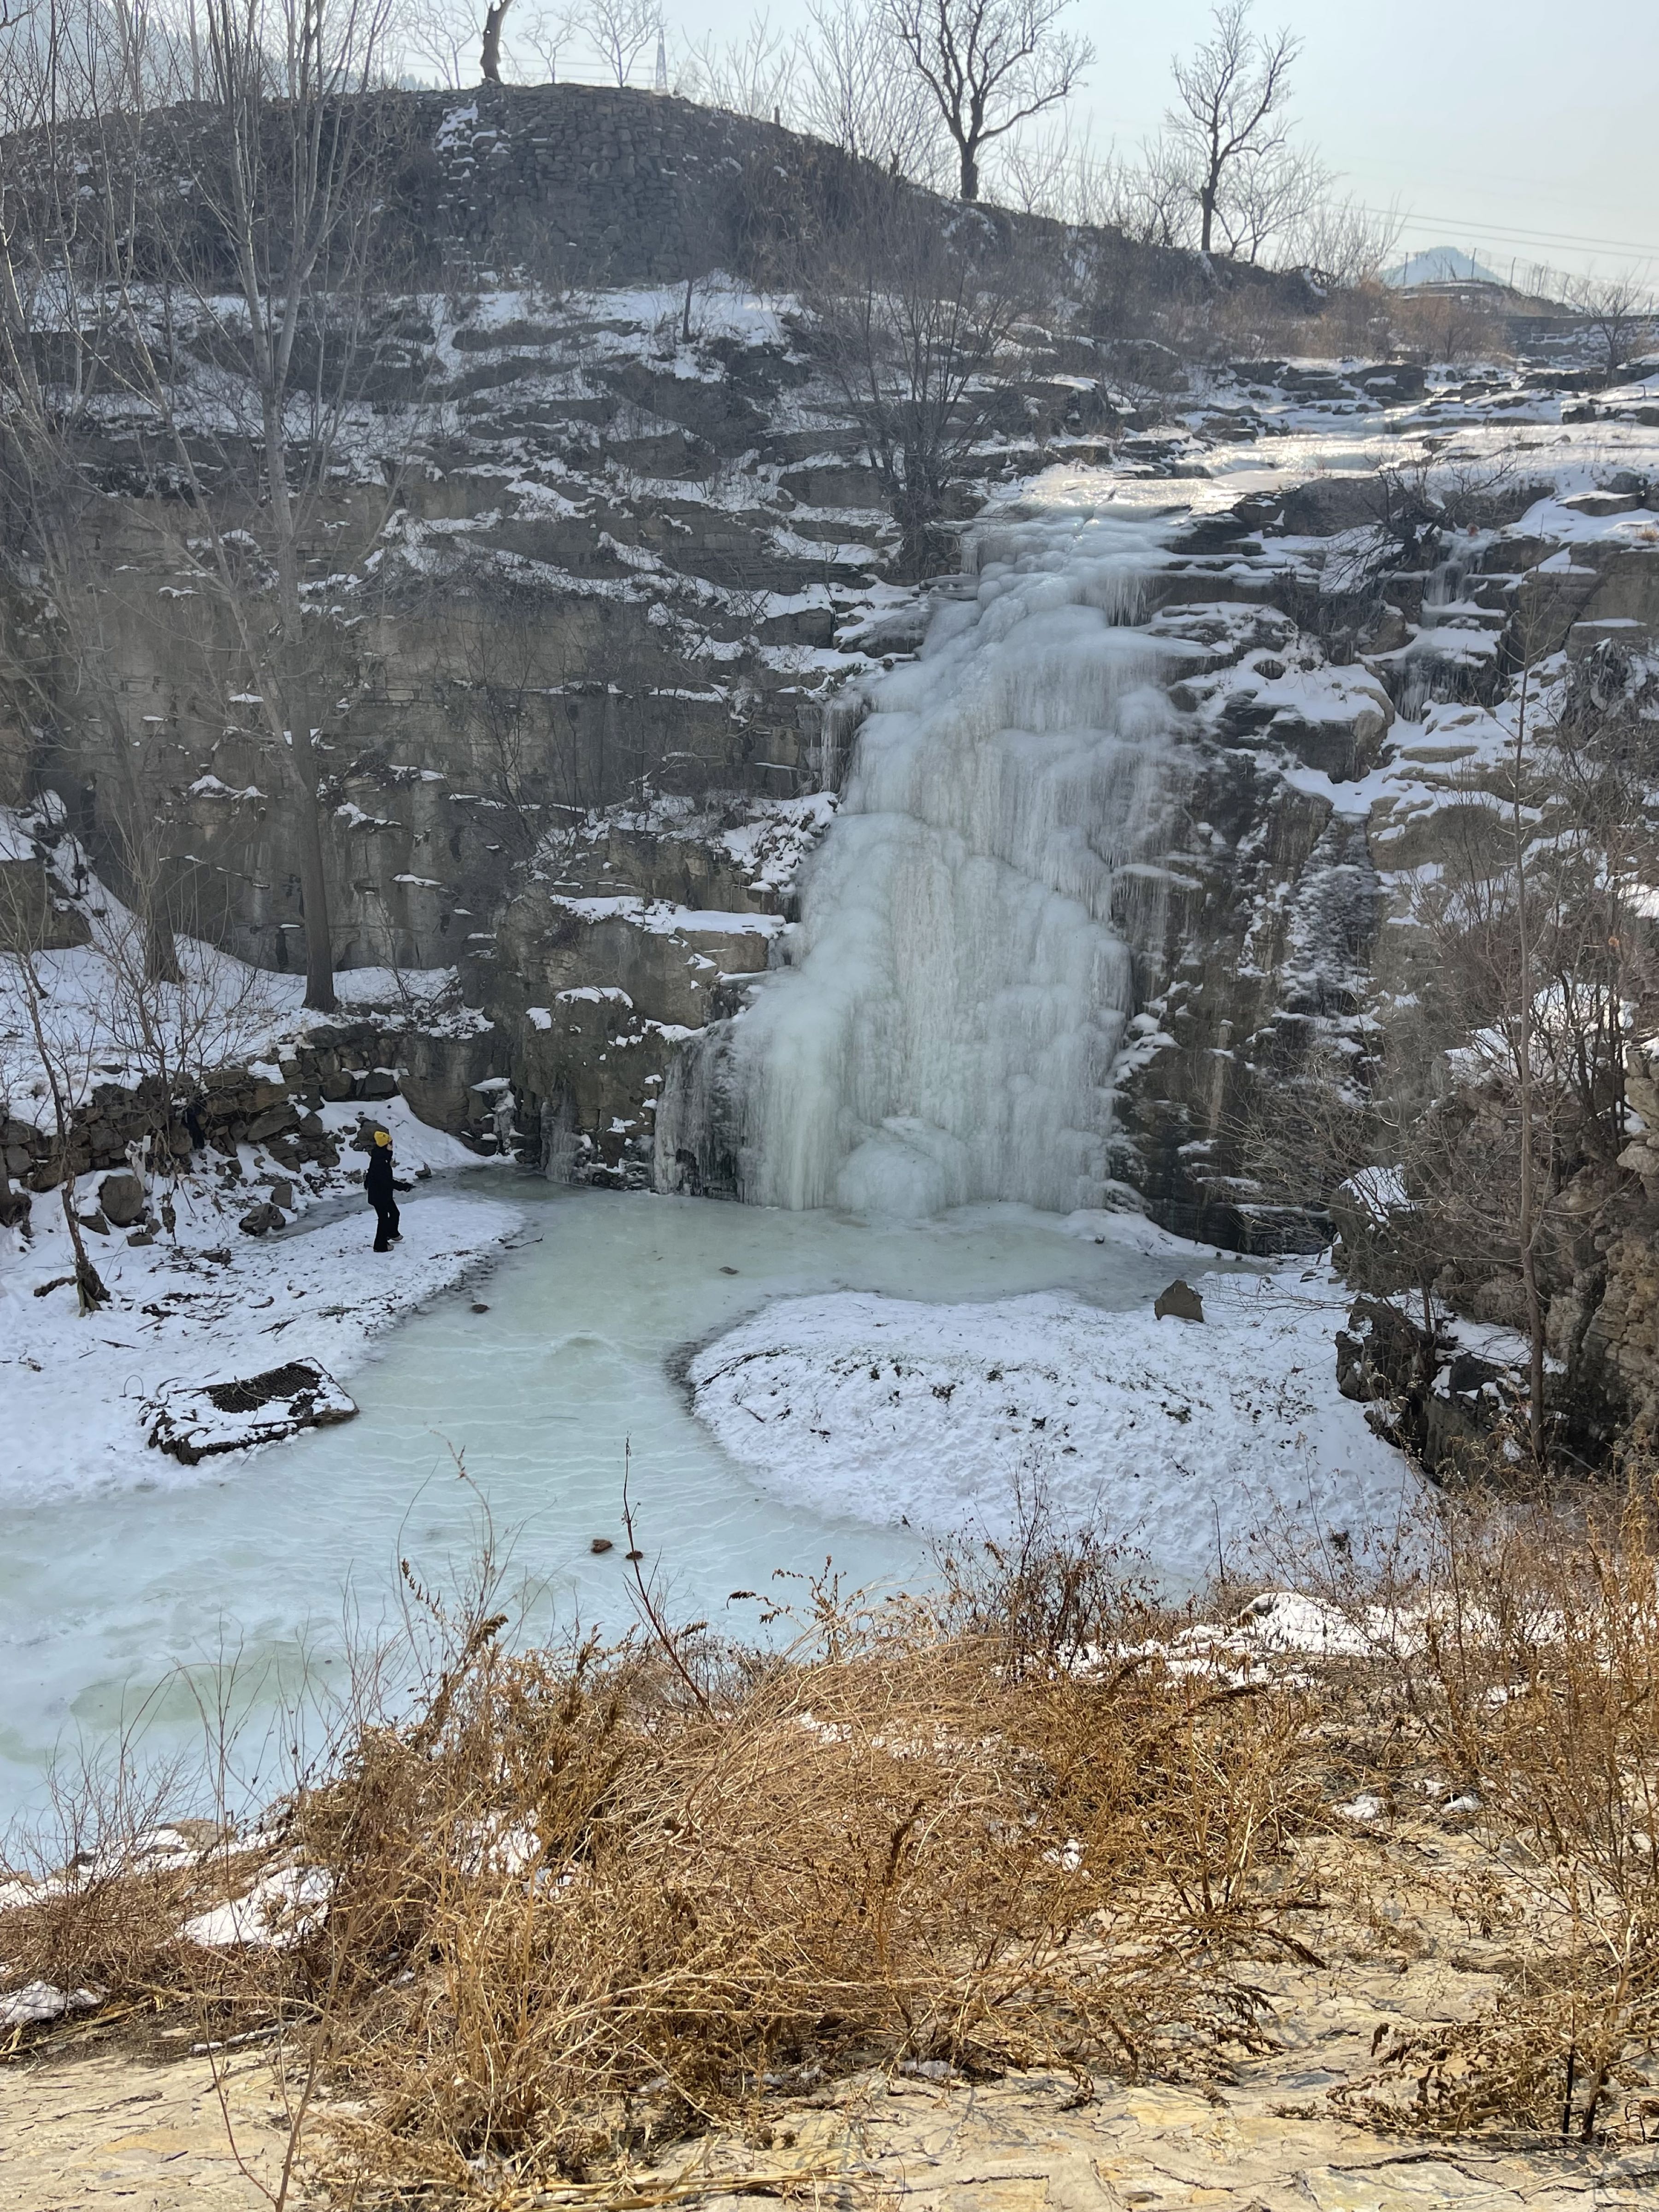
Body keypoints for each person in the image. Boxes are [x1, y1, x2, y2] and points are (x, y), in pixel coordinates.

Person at [365, 1128, 409, 1252]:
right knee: (383, 1219)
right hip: (379, 1196)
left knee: (395, 1213)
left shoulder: (381, 1155)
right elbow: (387, 1182)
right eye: (391, 1143)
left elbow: (371, 1172)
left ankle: (392, 1233)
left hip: (382, 1194)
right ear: (385, 1145)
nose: (392, 1145)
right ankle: (380, 1246)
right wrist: (404, 1187)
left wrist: (368, 1182)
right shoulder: (381, 1161)